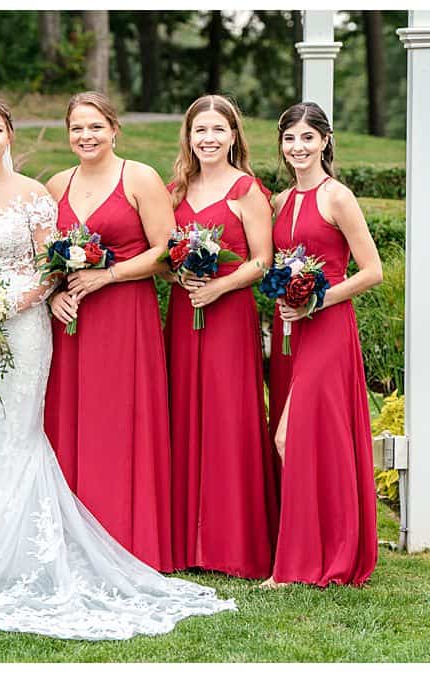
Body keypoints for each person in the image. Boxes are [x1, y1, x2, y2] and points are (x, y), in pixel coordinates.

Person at [0, 94, 235, 641]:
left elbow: (48, 267)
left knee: (18, 432)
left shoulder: (36, 194)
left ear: (10, 135)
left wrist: (6, 305)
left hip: (22, 327)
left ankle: (21, 551)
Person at [43, 92, 180, 572]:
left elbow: (165, 250)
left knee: (120, 422)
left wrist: (109, 275)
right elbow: (44, 257)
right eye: (77, 128)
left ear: (114, 129)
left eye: (96, 127)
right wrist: (54, 294)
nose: (86, 136)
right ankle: (73, 540)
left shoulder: (139, 177)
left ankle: (128, 536)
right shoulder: (57, 183)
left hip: (125, 316)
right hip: (72, 322)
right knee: (72, 420)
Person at [265, 102, 382, 588]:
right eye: (290, 139)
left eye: (307, 138)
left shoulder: (338, 197)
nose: (298, 148)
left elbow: (373, 271)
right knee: (304, 439)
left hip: (328, 326)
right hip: (290, 328)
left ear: (325, 141)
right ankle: (317, 545)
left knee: (290, 437)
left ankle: (313, 557)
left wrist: (317, 302)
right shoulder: (279, 201)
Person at [162, 95, 278, 578]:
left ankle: (234, 544)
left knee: (229, 418)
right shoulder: (174, 189)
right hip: (183, 317)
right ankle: (186, 542)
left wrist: (219, 286)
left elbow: (261, 260)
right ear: (188, 136)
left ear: (234, 135)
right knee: (183, 413)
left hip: (229, 317)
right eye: (199, 130)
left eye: (218, 130)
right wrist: (178, 278)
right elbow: (162, 254)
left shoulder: (247, 189)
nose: (208, 138)